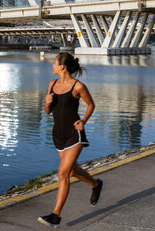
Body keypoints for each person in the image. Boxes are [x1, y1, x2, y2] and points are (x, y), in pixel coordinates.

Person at [38, 52, 104, 228]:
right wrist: (47, 102)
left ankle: (55, 215)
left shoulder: (78, 86)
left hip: (74, 135)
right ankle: (96, 184)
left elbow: (91, 105)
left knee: (62, 173)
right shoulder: (52, 84)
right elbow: (47, 111)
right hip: (57, 134)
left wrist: (83, 121)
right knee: (72, 172)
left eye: (54, 62)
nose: (52, 65)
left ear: (62, 66)